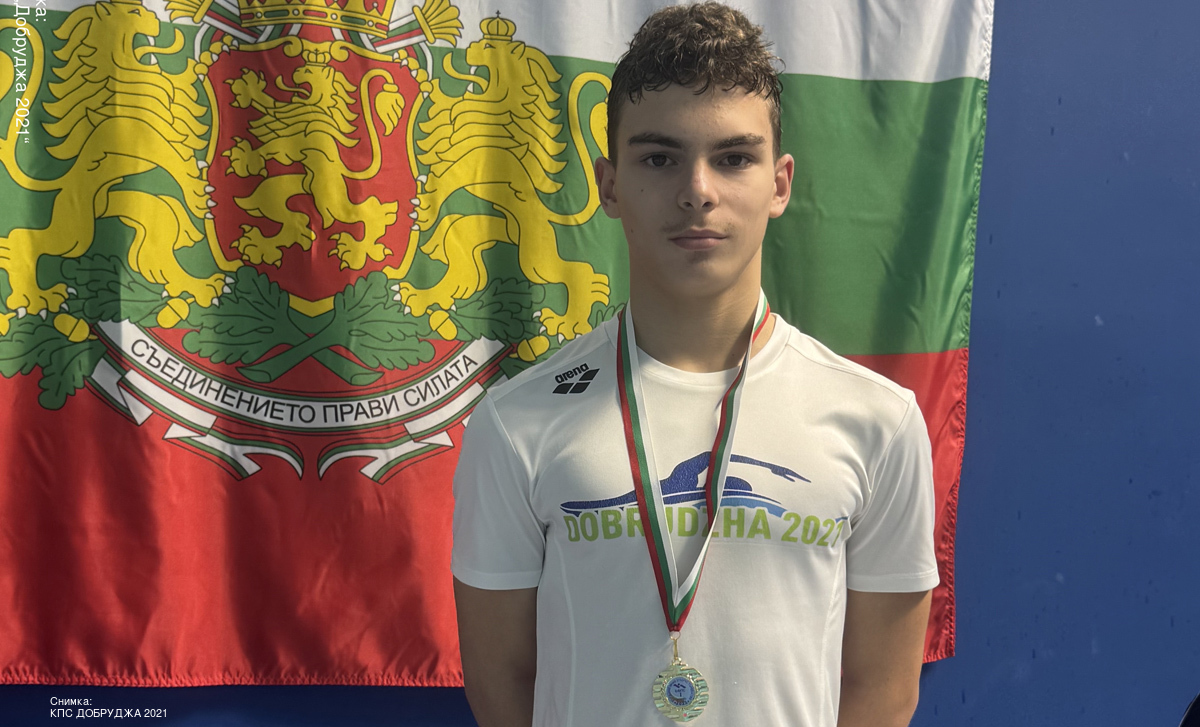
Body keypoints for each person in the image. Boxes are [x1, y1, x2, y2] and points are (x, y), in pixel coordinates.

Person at [450, 3, 938, 726]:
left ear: (780, 184)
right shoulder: (515, 422)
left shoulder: (878, 421)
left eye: (733, 158)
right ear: (609, 185)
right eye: (659, 158)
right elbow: (503, 681)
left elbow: (881, 691)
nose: (697, 190)